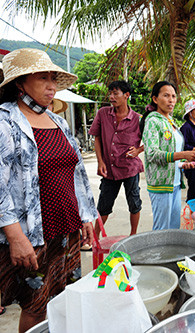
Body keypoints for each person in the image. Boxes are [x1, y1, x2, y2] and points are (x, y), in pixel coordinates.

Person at [0, 48, 97, 332]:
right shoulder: (5, 123)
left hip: (67, 229)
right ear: (20, 83)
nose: (51, 86)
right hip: (32, 234)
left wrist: (87, 214)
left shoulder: (59, 121)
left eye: (53, 78)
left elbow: (76, 172)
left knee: (64, 297)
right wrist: (15, 236)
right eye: (43, 78)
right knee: (35, 306)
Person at [141, 82, 195, 230]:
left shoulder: (171, 122)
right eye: (166, 95)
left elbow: (172, 155)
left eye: (174, 96)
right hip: (161, 184)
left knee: (174, 228)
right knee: (162, 230)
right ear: (155, 99)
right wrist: (183, 154)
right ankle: (158, 254)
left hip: (175, 184)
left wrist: (184, 163)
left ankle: (170, 254)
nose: (171, 100)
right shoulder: (153, 121)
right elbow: (151, 154)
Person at [88, 80, 144, 239]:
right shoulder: (103, 113)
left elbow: (153, 139)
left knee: (134, 203)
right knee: (104, 204)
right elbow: (97, 138)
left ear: (126, 95)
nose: (111, 97)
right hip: (109, 169)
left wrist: (138, 150)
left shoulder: (138, 119)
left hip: (130, 168)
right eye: (110, 93)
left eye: (115, 93)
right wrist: (100, 161)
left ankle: (133, 236)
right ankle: (94, 237)